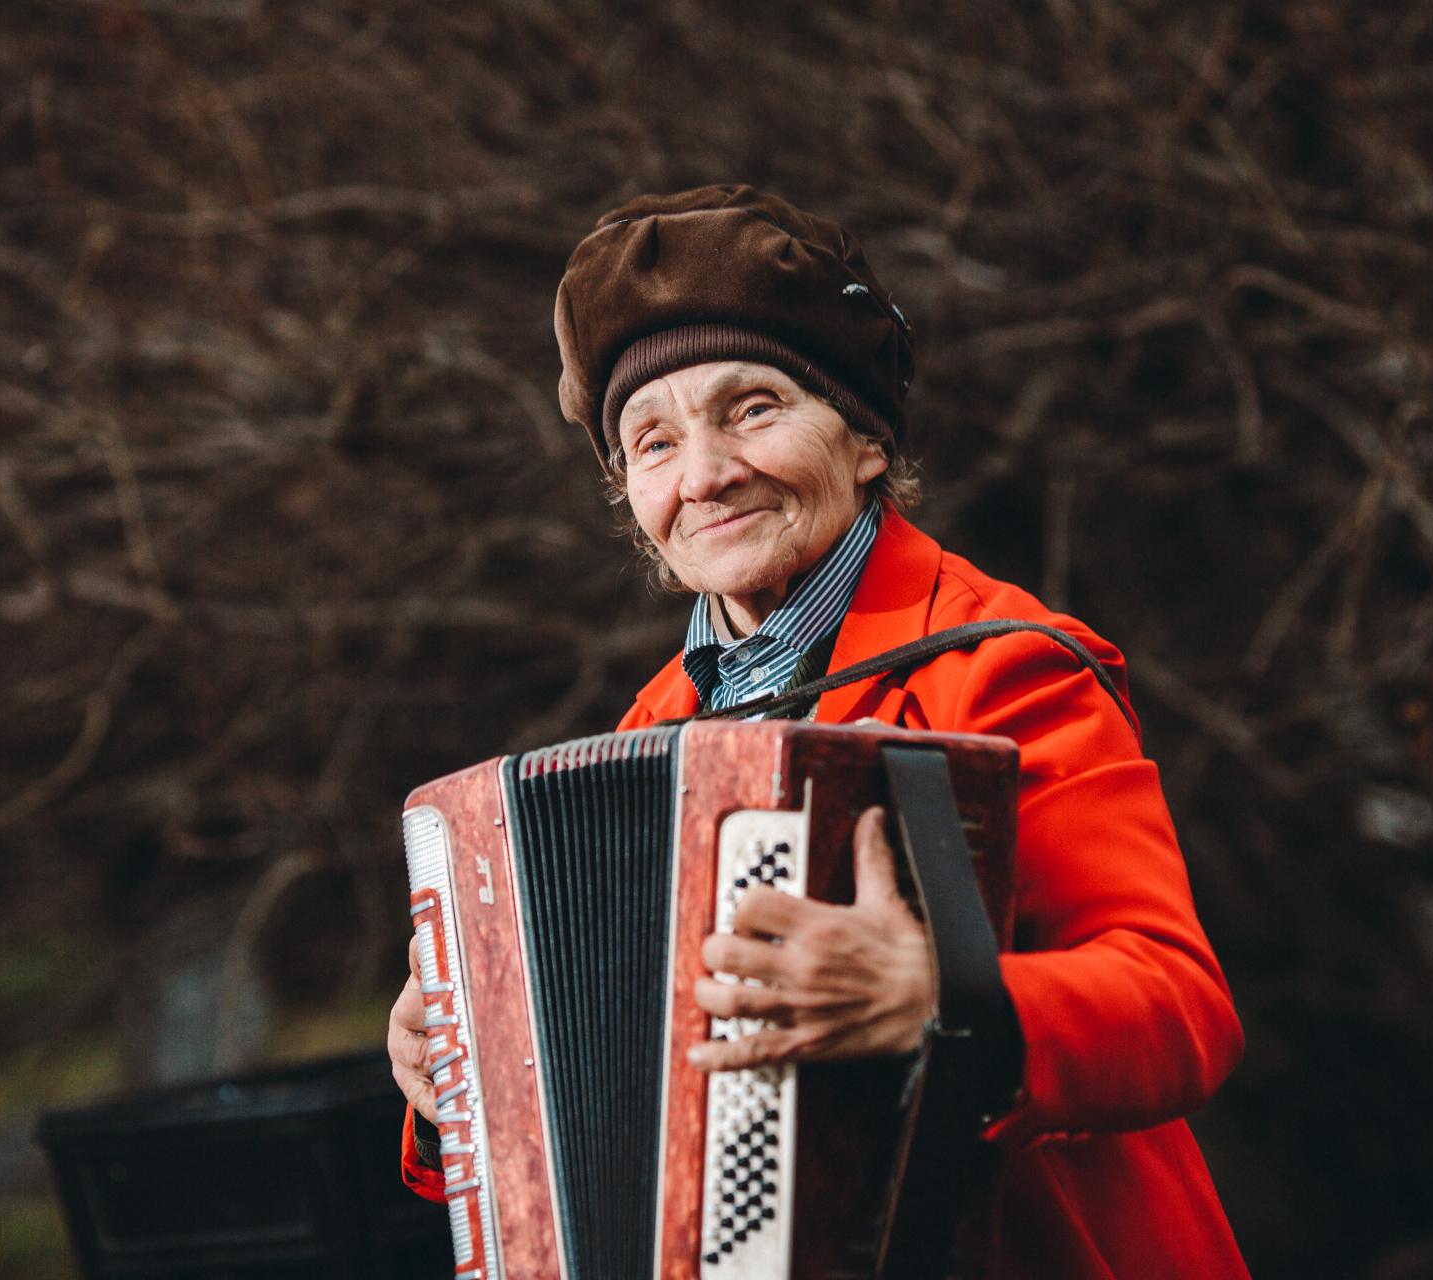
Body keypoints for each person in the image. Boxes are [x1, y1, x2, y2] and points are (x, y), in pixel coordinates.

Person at [388, 184, 1248, 1278]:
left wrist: (943, 1000)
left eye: (751, 409)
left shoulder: (1004, 663)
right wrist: (459, 1064)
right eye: (652, 442)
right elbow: (626, 1081)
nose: (703, 475)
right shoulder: (648, 732)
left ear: (867, 439)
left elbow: (1180, 1004)